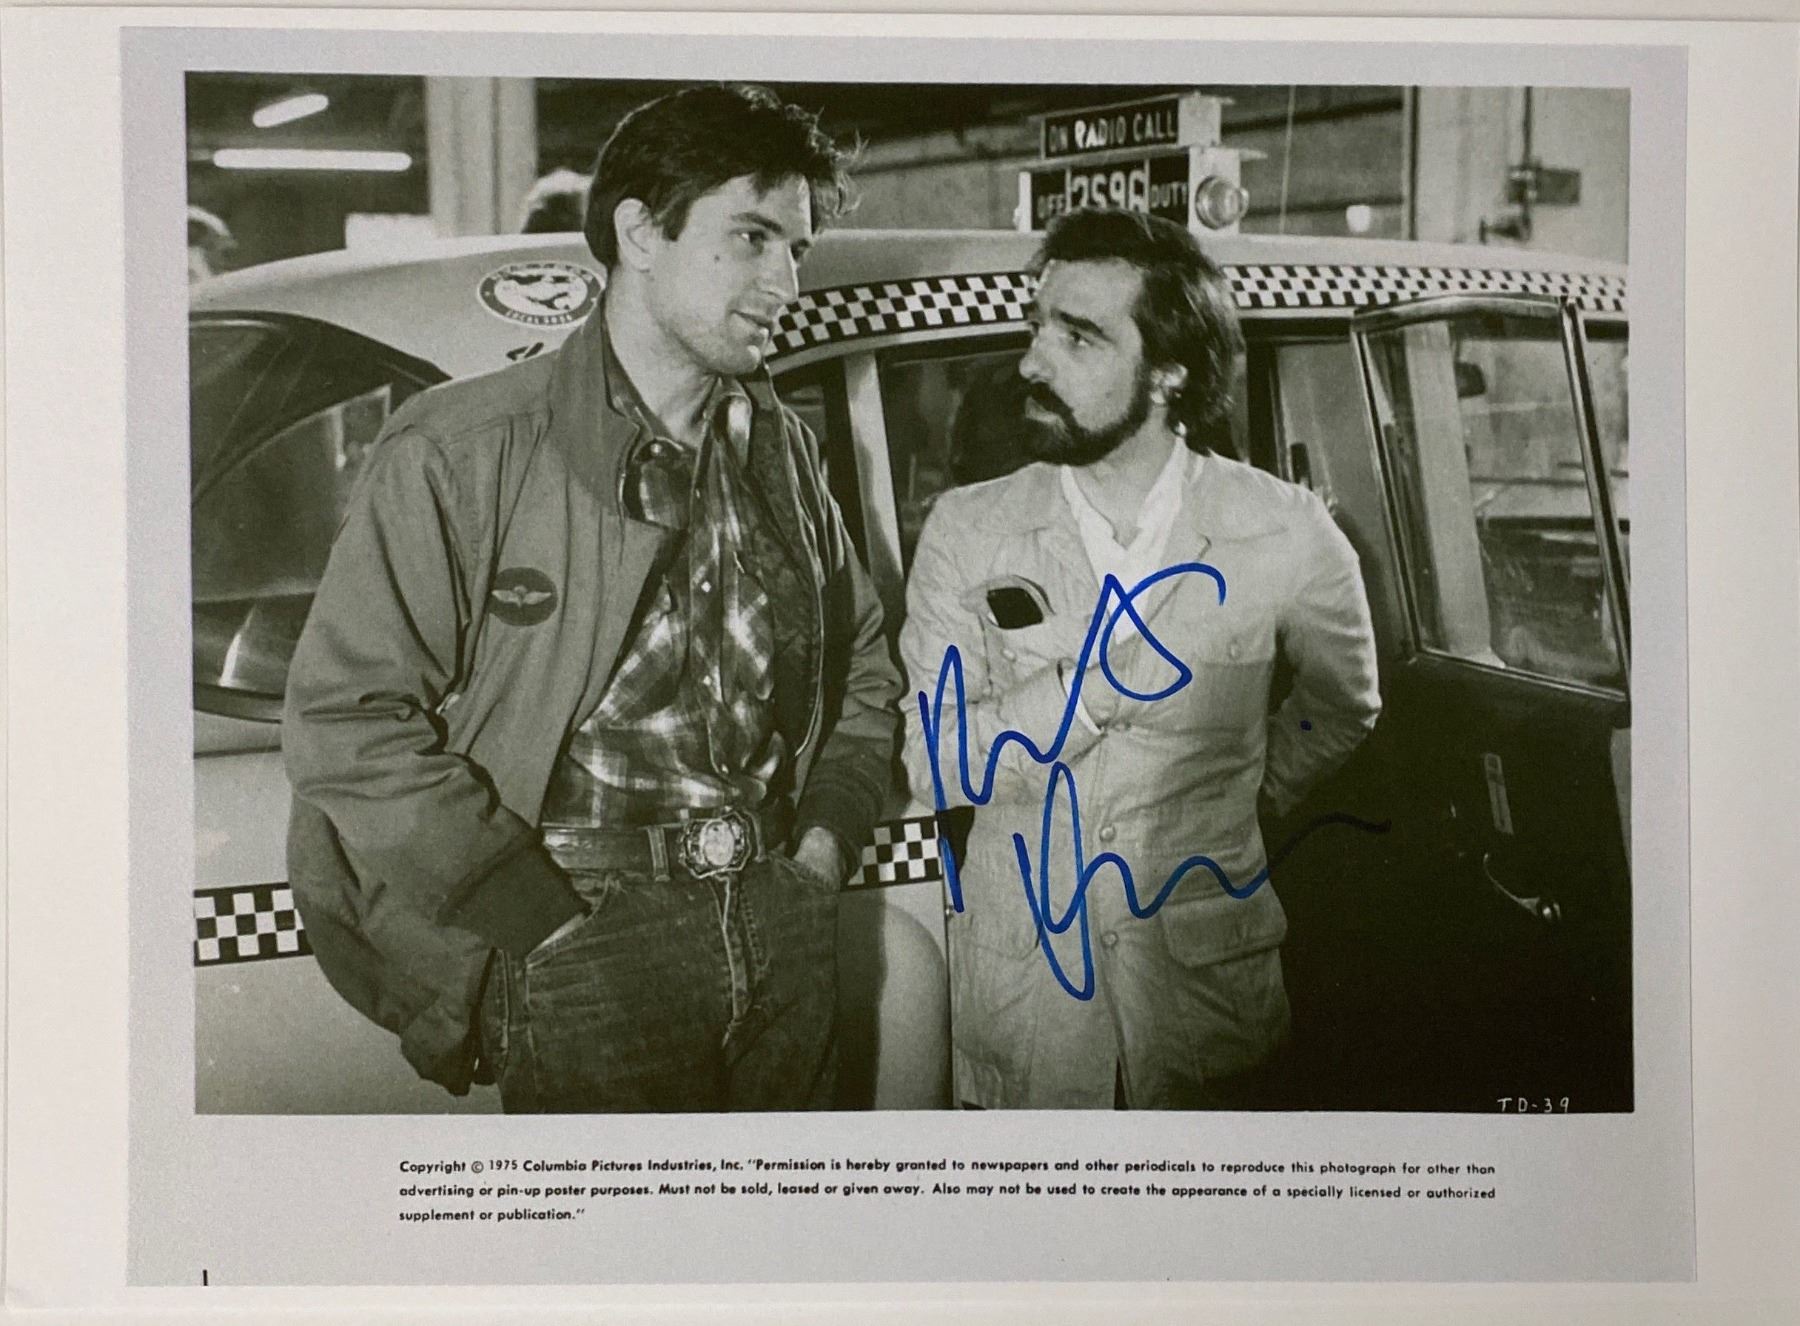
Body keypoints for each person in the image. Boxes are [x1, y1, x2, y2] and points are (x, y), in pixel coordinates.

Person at [283, 84, 900, 1112]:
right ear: (640, 232)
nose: (786, 282)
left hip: (780, 914)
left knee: (780, 1217)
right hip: (585, 933)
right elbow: (347, 720)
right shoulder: (465, 449)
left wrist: (822, 851)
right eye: (752, 238)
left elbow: (864, 671)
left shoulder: (779, 450)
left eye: (797, 249)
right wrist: (538, 921)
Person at [899, 208, 1380, 1110]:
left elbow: (1344, 704)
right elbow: (933, 762)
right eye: (1037, 328)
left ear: (1170, 372)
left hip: (1206, 1013)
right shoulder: (967, 528)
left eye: (1077, 337)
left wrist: (1240, 795)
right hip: (1028, 1017)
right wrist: (1084, 697)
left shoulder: (1284, 530)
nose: (1032, 363)